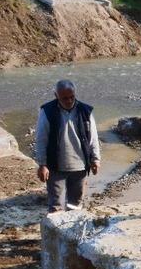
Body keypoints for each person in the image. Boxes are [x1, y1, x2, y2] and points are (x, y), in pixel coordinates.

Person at [35, 80, 101, 212]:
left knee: (75, 205)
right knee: (55, 205)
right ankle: (55, 231)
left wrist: (95, 159)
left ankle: (73, 230)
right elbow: (41, 139)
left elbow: (93, 137)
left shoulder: (85, 111)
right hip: (55, 166)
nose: (69, 101)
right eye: (64, 98)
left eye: (72, 97)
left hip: (80, 166)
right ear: (56, 95)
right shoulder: (47, 111)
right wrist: (42, 164)